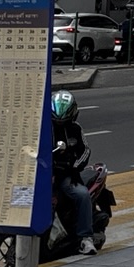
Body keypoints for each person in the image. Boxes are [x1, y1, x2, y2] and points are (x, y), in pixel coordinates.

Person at [50, 91, 95, 253]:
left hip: (66, 175)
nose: (59, 123)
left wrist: (74, 167)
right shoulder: (43, 129)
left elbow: (85, 151)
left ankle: (86, 238)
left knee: (82, 194)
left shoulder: (75, 129)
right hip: (44, 174)